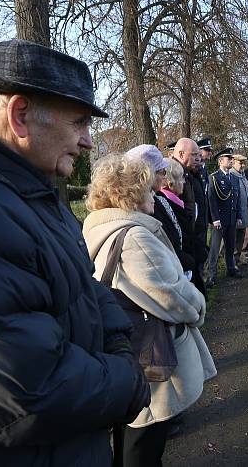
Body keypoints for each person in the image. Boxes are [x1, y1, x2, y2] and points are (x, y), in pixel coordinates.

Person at [0, 39, 149, 466]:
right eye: (79, 123)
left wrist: (118, 340)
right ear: (20, 115)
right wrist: (129, 380)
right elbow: (28, 390)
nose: (88, 142)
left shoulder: (22, 190)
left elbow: (86, 287)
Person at [83, 154, 215, 467]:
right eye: (148, 190)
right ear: (130, 195)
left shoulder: (98, 229)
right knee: (142, 446)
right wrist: (198, 308)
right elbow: (171, 295)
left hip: (123, 349)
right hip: (148, 357)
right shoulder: (136, 236)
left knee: (128, 435)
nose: (154, 196)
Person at [125, 145, 197, 284]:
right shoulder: (138, 208)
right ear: (148, 174)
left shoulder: (159, 200)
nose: (164, 176)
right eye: (161, 171)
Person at [170, 138, 208, 282]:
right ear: (181, 154)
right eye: (194, 155)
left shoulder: (192, 174)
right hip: (187, 250)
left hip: (197, 245)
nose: (199, 158)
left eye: (199, 155)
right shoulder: (174, 175)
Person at [206, 148, 243, 284]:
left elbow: (237, 199)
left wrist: (238, 216)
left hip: (232, 218)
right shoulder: (214, 177)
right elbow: (212, 200)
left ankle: (230, 268)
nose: (231, 161)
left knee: (230, 246)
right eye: (229, 159)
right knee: (215, 248)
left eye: (231, 158)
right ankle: (212, 275)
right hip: (219, 220)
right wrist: (215, 219)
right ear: (221, 161)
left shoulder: (234, 178)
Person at [231, 154, 248, 265]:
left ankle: (238, 257)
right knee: (235, 238)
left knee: (245, 236)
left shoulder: (242, 175)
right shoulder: (231, 175)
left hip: (246, 211)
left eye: (244, 163)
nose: (243, 165)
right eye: (240, 163)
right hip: (236, 213)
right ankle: (233, 260)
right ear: (233, 162)